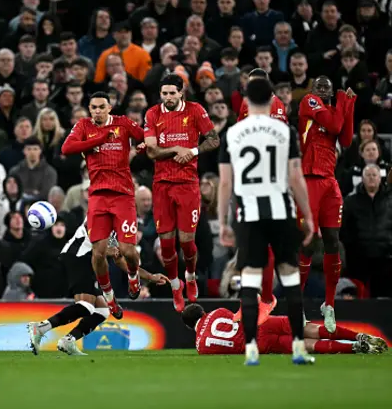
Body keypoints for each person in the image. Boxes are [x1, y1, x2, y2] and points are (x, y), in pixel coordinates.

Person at [217, 78, 315, 366]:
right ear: (273, 100)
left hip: (248, 215)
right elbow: (295, 177)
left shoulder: (233, 133)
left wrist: (224, 221)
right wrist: (308, 215)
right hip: (281, 211)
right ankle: (298, 347)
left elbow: (225, 182)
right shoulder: (285, 131)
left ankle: (250, 349)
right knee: (290, 275)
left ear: (245, 100)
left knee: (250, 279)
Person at [61, 92, 145, 318]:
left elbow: (144, 137)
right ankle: (110, 300)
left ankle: (133, 276)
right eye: (93, 107)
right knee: (98, 254)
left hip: (123, 195)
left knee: (128, 249)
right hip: (98, 195)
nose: (97, 111)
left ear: (109, 108)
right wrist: (98, 140)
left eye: (101, 107)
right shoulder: (84, 126)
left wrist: (144, 147)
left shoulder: (123, 123)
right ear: (89, 109)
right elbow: (66, 148)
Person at [27, 223, 168, 356]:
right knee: (86, 306)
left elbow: (120, 261)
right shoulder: (99, 213)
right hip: (78, 255)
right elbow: (97, 246)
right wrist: (109, 250)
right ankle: (40, 328)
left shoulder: (117, 228)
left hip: (91, 261)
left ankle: (68, 341)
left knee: (102, 311)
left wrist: (150, 276)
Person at [143, 74, 219, 312]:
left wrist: (193, 151)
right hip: (162, 185)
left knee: (187, 242)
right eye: (164, 94)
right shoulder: (153, 114)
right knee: (166, 245)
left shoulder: (195, 111)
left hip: (187, 184)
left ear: (181, 92)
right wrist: (177, 149)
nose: (167, 98)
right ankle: (176, 285)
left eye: (171, 93)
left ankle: (191, 276)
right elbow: (152, 152)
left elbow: (214, 140)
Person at [298, 76, 356, 333]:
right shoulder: (309, 103)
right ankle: (295, 303)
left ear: (332, 92)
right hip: (309, 178)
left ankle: (329, 304)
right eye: (318, 86)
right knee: (309, 242)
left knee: (333, 240)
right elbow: (334, 125)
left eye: (326, 87)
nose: (322, 89)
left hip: (329, 181)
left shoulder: (334, 109)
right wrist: (343, 101)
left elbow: (345, 139)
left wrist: (349, 104)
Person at [182, 304, 388, 355]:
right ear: (202, 311)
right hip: (262, 324)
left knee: (306, 345)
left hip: (258, 345)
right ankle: (359, 336)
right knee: (309, 329)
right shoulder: (217, 312)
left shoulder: (201, 347)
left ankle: (354, 349)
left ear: (189, 326)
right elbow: (238, 318)